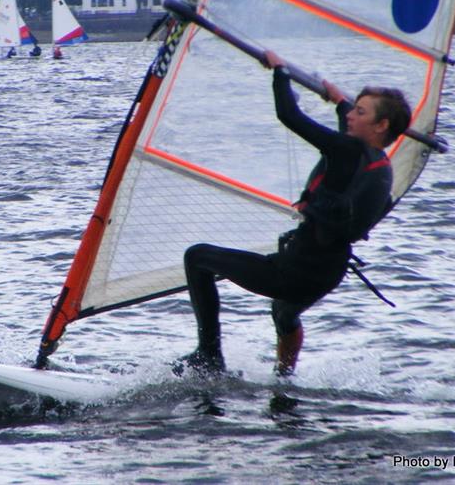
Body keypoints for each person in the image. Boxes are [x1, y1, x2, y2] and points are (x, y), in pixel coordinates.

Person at [174, 50, 411, 378]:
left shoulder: (348, 151)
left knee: (196, 257)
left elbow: (289, 115)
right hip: (326, 274)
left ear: (381, 125)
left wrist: (280, 72)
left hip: (294, 272)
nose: (352, 116)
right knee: (284, 314)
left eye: (360, 111)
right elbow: (350, 137)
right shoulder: (378, 164)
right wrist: (342, 103)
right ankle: (284, 380)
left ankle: (209, 355)